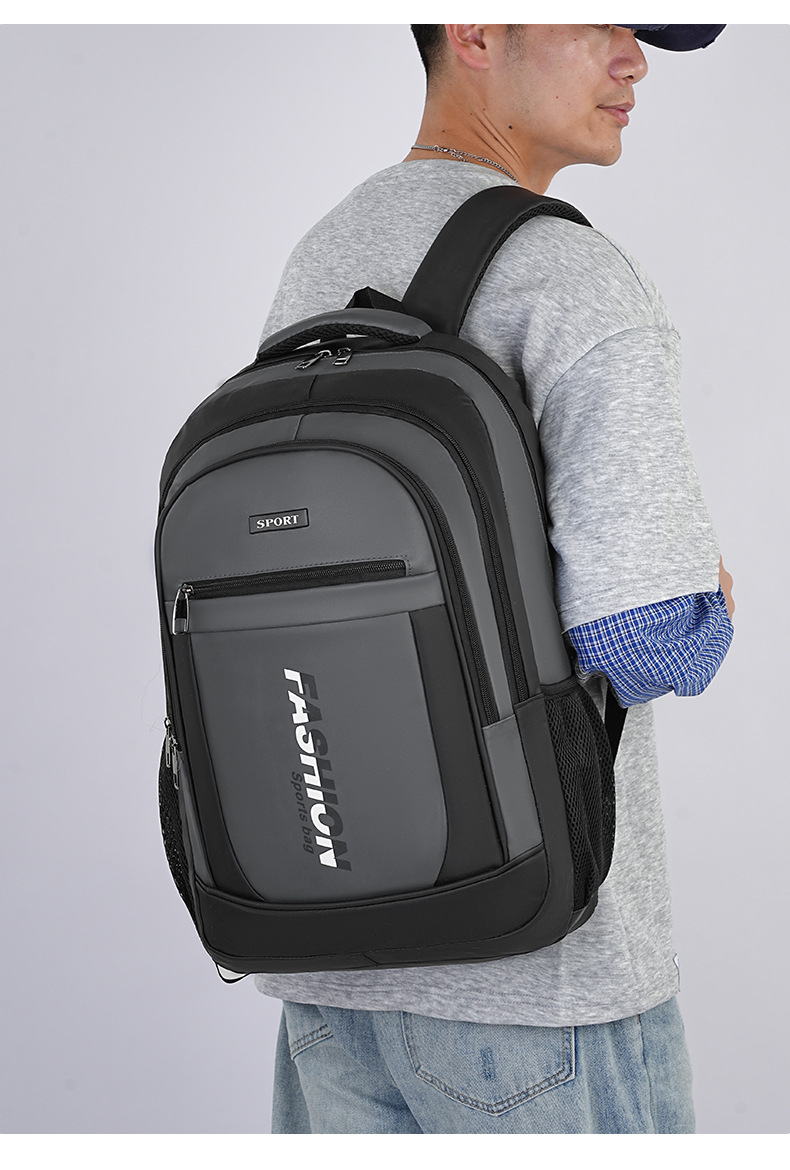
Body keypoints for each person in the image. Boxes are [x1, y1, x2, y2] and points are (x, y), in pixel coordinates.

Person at [254, 24, 734, 1134]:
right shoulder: (570, 276)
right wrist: (705, 589)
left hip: (324, 971)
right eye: (604, 18)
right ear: (475, 26)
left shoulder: (324, 252)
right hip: (536, 986)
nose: (635, 60)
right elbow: (650, 640)